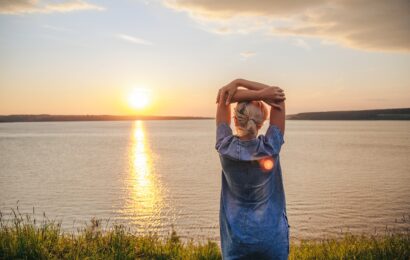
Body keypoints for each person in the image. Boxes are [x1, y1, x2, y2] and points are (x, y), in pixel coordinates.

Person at [215, 79, 289, 259]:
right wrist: (258, 91)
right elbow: (278, 97)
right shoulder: (271, 147)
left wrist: (238, 83)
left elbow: (224, 96)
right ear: (262, 122)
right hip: (272, 240)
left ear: (234, 119)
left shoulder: (224, 147)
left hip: (236, 242)